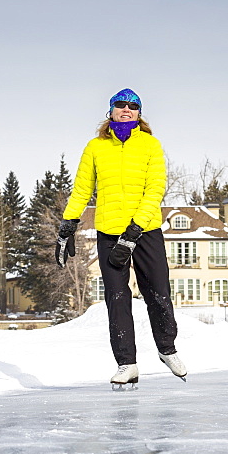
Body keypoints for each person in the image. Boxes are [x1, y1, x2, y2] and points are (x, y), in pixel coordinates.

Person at [56, 88, 187, 389]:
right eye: (120, 105)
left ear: (140, 113)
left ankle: (167, 350)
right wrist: (67, 224)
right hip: (109, 231)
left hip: (146, 231)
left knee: (158, 293)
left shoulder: (151, 145)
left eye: (132, 106)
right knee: (116, 298)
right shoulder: (95, 147)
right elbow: (81, 189)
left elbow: (155, 189)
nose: (126, 109)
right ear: (111, 111)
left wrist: (135, 229)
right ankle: (126, 363)